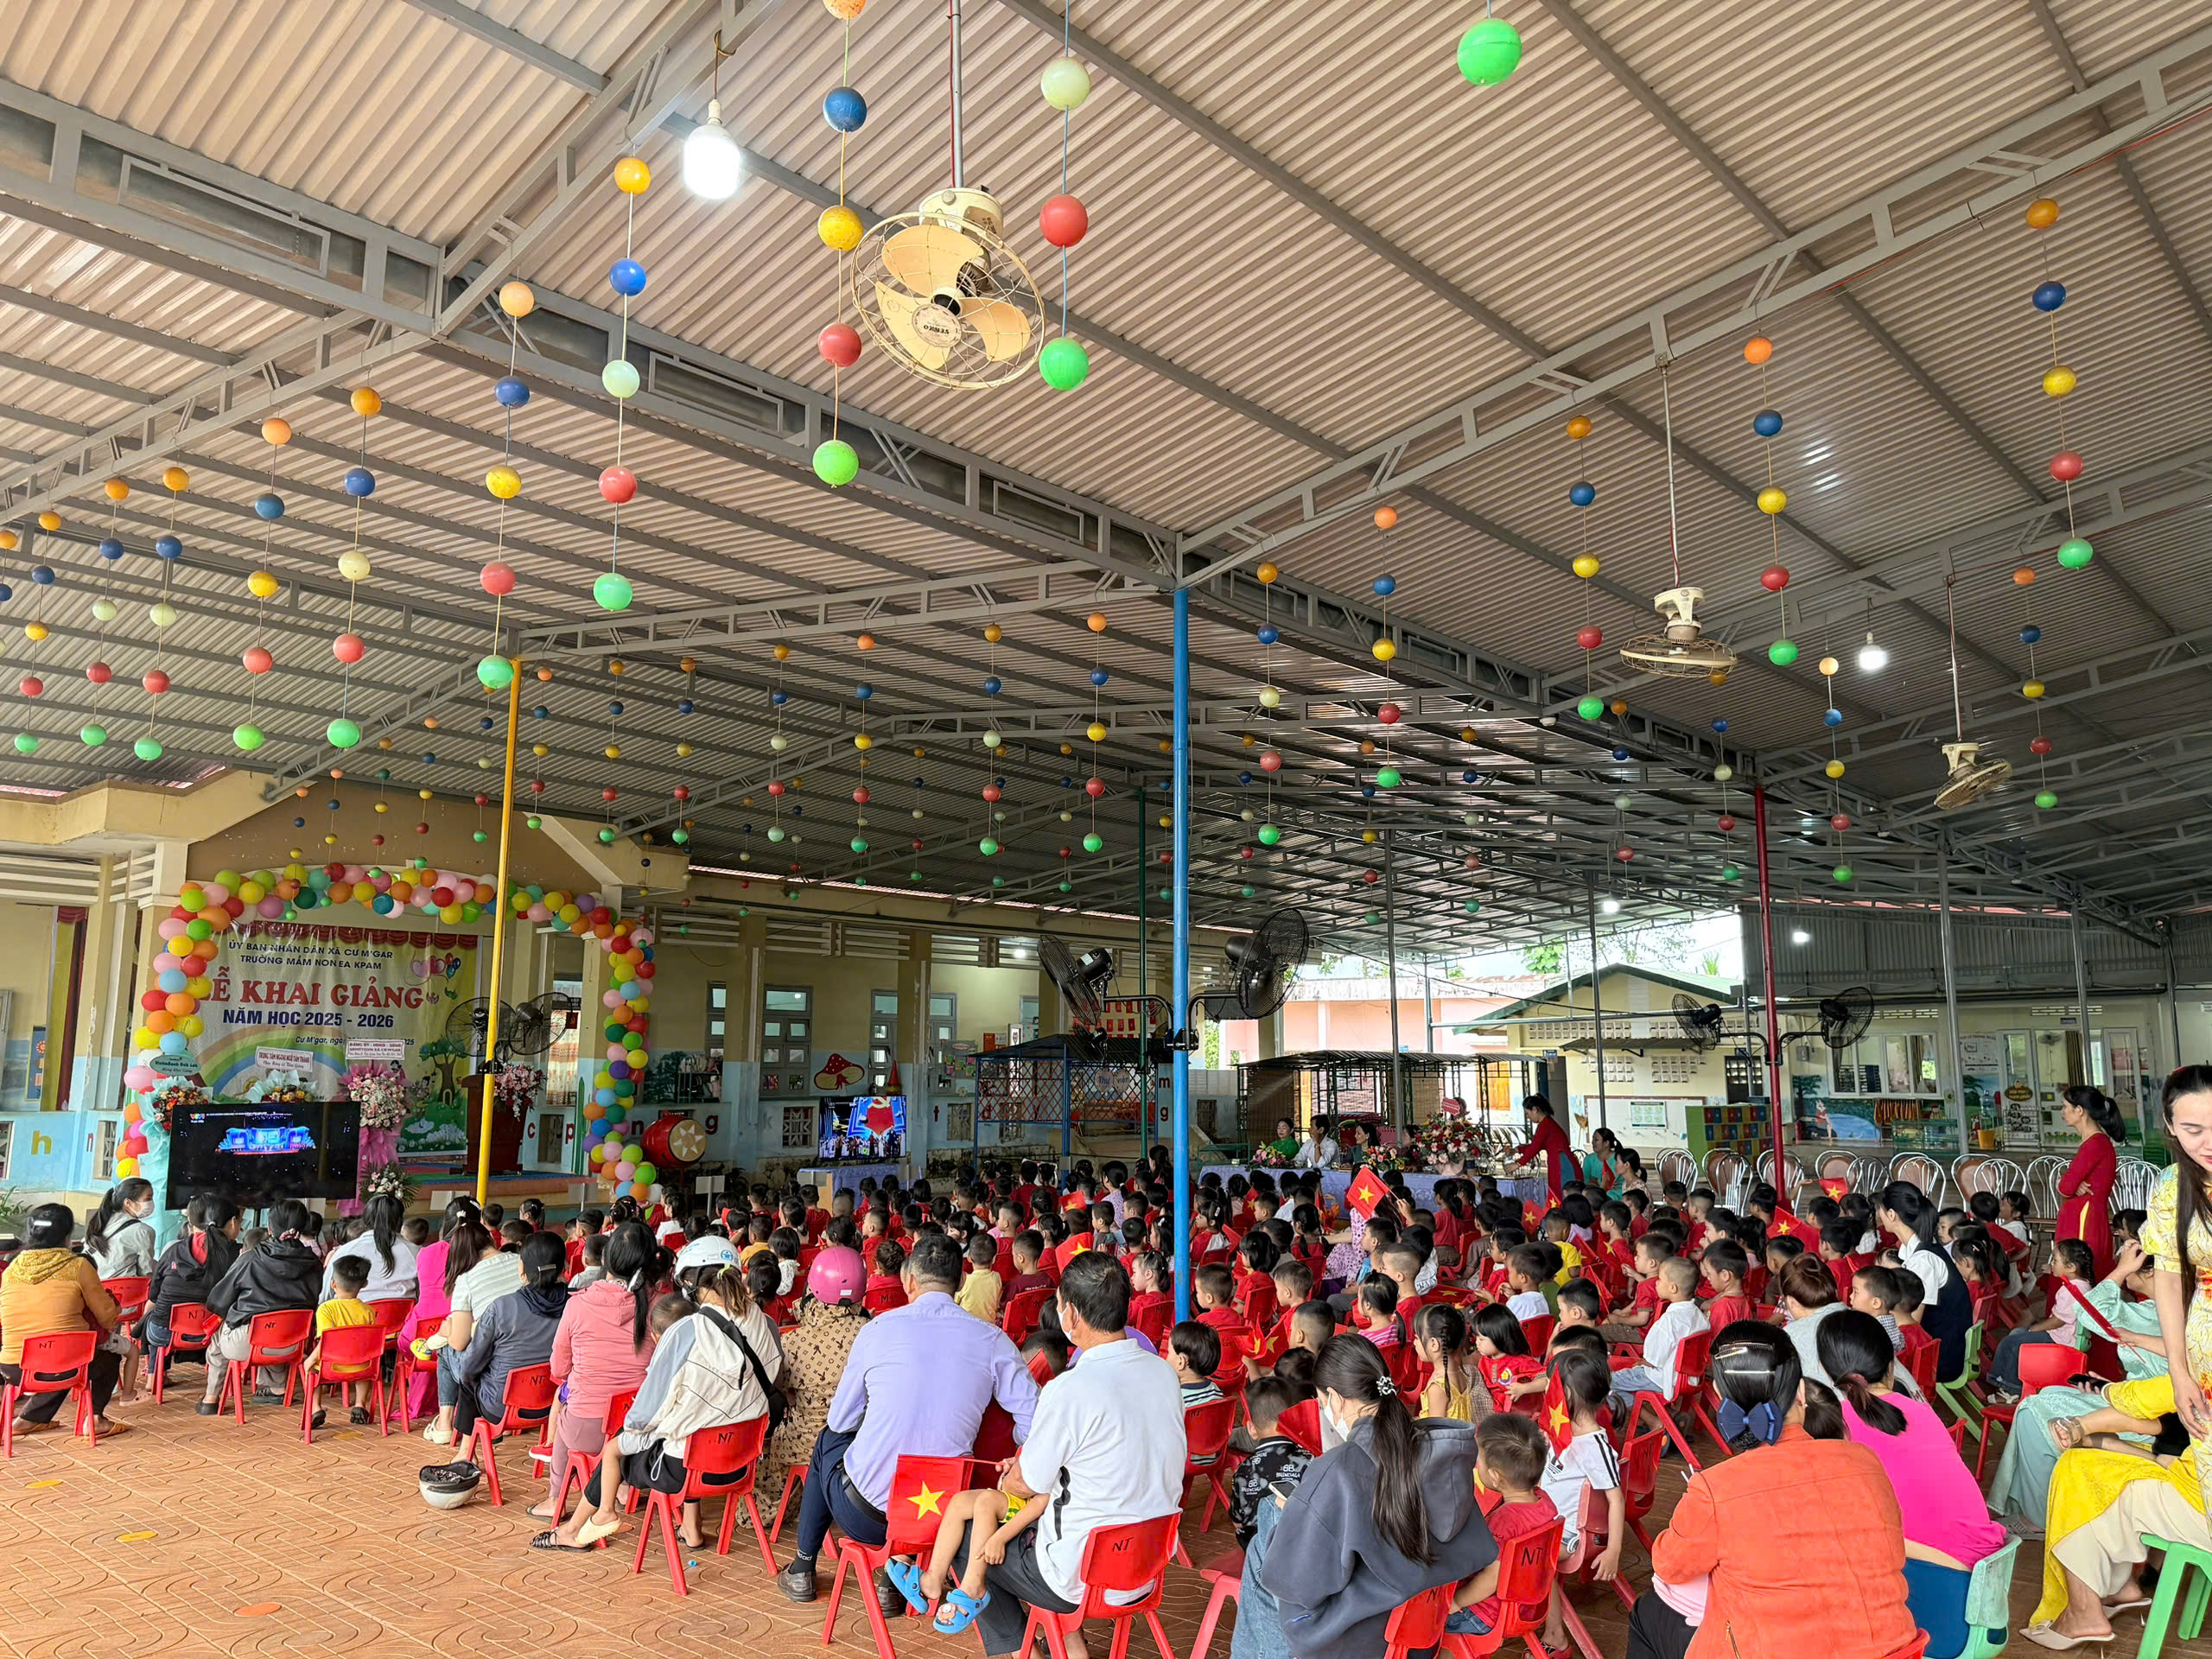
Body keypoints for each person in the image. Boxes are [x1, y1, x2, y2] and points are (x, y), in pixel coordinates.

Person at [2020, 1065, 2212, 1648]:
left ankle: (2097, 1600)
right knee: (2097, 1449)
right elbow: (2172, 1279)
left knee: (2085, 1461)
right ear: (2170, 1129)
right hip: (2197, 1363)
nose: (2209, 1141)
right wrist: (2179, 1368)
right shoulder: (2172, 1188)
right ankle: (2110, 1592)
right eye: (2193, 1129)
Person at [914, 1251, 1182, 1656]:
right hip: (1146, 1567)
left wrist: (1015, 1473)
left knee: (969, 1536)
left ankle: (1019, 1650)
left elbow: (1026, 1483)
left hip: (1079, 1579)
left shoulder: (1070, 1388)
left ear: (1070, 1314)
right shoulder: (1163, 1372)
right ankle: (1061, 1641)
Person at [777, 1232, 1039, 1611]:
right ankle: (892, 1582)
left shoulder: (877, 1330)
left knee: (827, 1441)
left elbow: (840, 1419)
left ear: (909, 1281)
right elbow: (1034, 1421)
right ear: (961, 1282)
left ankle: (803, 1566)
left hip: (866, 1516)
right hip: (941, 1518)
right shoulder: (992, 1339)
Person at [1626, 1321, 1917, 1659]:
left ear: (1720, 1397)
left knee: (1648, 1613)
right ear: (1801, 1393)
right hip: (1894, 1650)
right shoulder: (1866, 1460)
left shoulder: (1717, 1487)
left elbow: (1670, 1566)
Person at [533, 1236, 783, 1552]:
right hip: (741, 1459)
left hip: (684, 1468)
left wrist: (635, 1433)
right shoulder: (764, 1322)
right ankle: (690, 1527)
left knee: (622, 1444)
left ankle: (574, 1528)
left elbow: (646, 1413)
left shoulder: (686, 1331)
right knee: (689, 1425)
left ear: (691, 1282)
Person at [1260, 1335, 1494, 1659]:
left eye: (1322, 1401)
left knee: (1265, 1538)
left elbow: (1297, 1584)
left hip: (1360, 1637)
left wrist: (1299, 1516)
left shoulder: (1338, 1468)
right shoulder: (1441, 1450)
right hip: (1424, 1630)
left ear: (1334, 1398)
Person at [1819, 1310, 2004, 1657]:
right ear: (1890, 1364)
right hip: (1982, 1586)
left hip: (1942, 1599)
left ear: (1827, 1372)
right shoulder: (1919, 1410)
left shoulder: (1840, 1426)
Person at [1987, 1237, 2170, 1535]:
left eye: (2129, 1261)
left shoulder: (2153, 1314)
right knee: (2049, 1395)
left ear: (2149, 1270)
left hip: (2149, 1419)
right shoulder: (2159, 1310)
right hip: (2142, 1404)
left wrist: (2121, 1270)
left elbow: (2087, 1312)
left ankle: (2038, 1517)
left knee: (2033, 1410)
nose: (2121, 1264)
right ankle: (2040, 1506)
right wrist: (2109, 1387)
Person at [529, 1219, 657, 1520]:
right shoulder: (662, 1307)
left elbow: (559, 1367)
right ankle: (622, 1485)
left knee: (565, 1406)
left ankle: (555, 1498)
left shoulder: (579, 1305)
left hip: (588, 1429)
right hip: (643, 1428)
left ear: (607, 1259)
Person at [436, 1231, 567, 1465]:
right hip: (556, 1403)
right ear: (563, 1267)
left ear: (521, 1268)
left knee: (469, 1376)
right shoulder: (575, 1303)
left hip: (501, 1408)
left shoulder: (501, 1308)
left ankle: (466, 1452)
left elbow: (468, 1370)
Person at [1, 1204, 124, 1439]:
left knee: (58, 1361)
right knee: (102, 1359)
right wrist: (114, 1309)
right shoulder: (78, 1266)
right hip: (62, 1363)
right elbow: (106, 1316)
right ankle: (96, 1420)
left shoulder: (11, 1269)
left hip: (12, 1367)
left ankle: (27, 1420)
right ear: (68, 1236)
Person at [762, 1244, 871, 1501]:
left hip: (809, 1442)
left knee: (771, 1451)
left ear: (814, 1289)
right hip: (863, 1439)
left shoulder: (794, 1341)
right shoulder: (874, 1331)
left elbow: (779, 1387)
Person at [199, 1197, 321, 1414]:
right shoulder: (314, 1263)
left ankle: (211, 1399)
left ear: (269, 1228)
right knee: (277, 1321)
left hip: (249, 1344)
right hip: (294, 1343)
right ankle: (276, 1388)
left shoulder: (251, 1259)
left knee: (221, 1332)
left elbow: (217, 1301)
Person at [1446, 1414, 1557, 1638]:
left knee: (1428, 1619)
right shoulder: (1544, 1502)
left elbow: (1492, 1578)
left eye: (1479, 1460)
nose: (1477, 1465)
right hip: (1528, 1606)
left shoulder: (1505, 1521)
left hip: (1486, 1614)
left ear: (1496, 1477)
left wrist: (1457, 1601)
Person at [144, 1193, 239, 1392]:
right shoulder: (237, 1254)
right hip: (214, 1331)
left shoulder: (173, 1250)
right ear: (232, 1222)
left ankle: (153, 1375)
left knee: (156, 1313)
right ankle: (225, 1384)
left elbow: (154, 1294)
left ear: (191, 1222)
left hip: (165, 1333)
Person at [1879, 1180, 1971, 1384]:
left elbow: (1911, 1320)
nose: (1879, 1215)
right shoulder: (1920, 1248)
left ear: (1892, 1214)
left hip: (1940, 1357)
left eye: (1881, 1210)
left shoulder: (1924, 1260)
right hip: (1940, 1345)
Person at [2056, 1083, 2124, 1277]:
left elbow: (2065, 1187)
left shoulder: (2095, 1144)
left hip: (2083, 1218)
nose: (2062, 1112)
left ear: (2079, 1110)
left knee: (2078, 1275)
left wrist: (2065, 1183)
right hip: (2083, 1214)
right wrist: (2069, 1184)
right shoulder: (2096, 1142)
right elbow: (2069, 1185)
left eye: (2065, 1107)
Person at [320, 1192, 418, 1305]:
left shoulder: (345, 1251)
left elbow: (324, 1297)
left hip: (351, 1315)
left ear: (365, 1220)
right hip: (402, 1316)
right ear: (400, 1221)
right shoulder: (416, 1252)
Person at [1508, 1095, 1572, 1203]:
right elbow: (1538, 1145)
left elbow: (1535, 1147)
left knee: (1560, 1195)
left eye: (1527, 1113)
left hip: (1561, 1163)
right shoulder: (1547, 1123)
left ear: (1534, 1110)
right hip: (1558, 1161)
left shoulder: (1545, 1125)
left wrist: (1518, 1164)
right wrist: (1517, 1150)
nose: (1528, 1117)